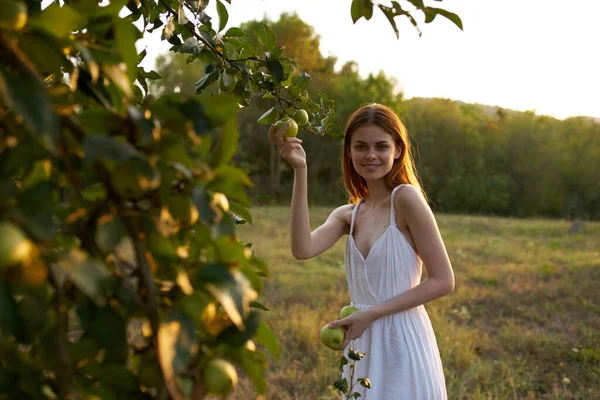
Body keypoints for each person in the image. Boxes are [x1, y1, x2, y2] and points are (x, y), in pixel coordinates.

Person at [269, 103, 455, 399]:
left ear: (397, 150)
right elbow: (302, 249)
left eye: (381, 146)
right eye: (361, 146)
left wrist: (372, 314)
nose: (370, 155)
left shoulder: (406, 199)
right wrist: (300, 170)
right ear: (349, 152)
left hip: (403, 339)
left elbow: (443, 280)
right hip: (361, 340)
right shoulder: (348, 215)